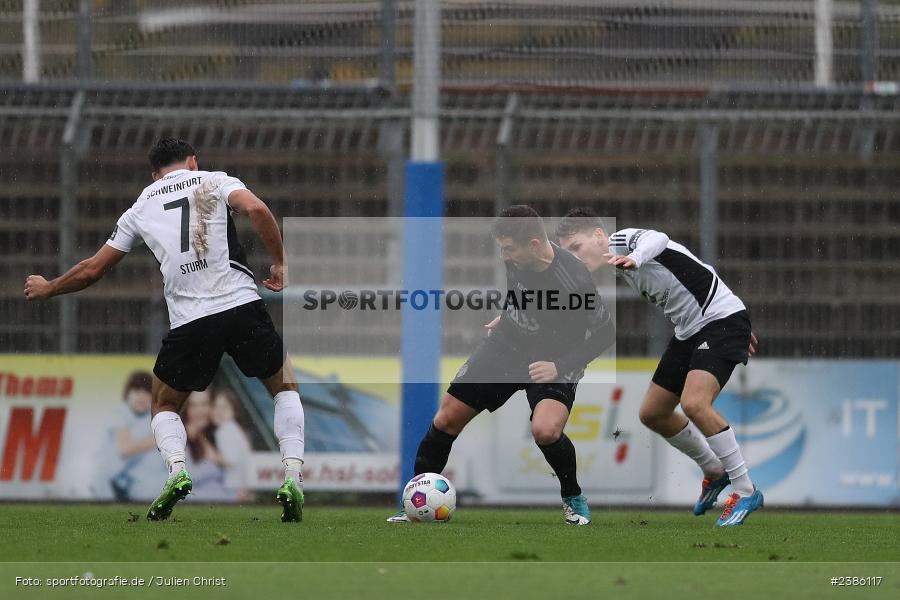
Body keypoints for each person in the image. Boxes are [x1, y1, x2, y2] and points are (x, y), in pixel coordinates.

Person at [24, 137, 305, 522]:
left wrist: (49, 288)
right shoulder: (214, 179)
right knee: (284, 385)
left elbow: (93, 269)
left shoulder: (141, 205)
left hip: (191, 322)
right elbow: (256, 208)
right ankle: (292, 475)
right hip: (241, 306)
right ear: (192, 161)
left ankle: (176, 471)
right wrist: (279, 263)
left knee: (165, 404)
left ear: (154, 174)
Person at [388, 205, 615, 525]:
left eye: (509, 249)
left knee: (546, 430)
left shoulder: (574, 277)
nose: (505, 256)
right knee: (446, 417)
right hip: (507, 347)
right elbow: (525, 295)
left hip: (553, 359)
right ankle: (414, 503)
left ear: (534, 245)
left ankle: (573, 499)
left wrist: (559, 365)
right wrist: (509, 317)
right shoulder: (518, 259)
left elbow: (605, 333)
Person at [556, 208, 763, 526]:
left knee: (694, 403)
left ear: (599, 235)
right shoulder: (614, 266)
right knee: (653, 412)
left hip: (718, 321)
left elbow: (659, 238)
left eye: (576, 247)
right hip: (693, 330)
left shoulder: (623, 241)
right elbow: (697, 267)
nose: (574, 257)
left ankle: (745, 489)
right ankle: (713, 470)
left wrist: (636, 258)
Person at [106, 371, 167, 501]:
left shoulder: (148, 417)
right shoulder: (120, 412)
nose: (142, 397)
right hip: (110, 482)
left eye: (147, 393)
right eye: (137, 391)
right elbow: (125, 449)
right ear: (128, 393)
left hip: (133, 481)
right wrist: (159, 438)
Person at [181, 388, 228, 501]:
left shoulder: (215, 435)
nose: (199, 411)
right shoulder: (179, 438)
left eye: (204, 404)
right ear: (186, 409)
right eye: (193, 406)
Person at [212, 388, 254, 502]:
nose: (218, 411)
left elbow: (231, 460)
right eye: (215, 406)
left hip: (233, 488)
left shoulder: (225, 429)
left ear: (234, 411)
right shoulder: (234, 428)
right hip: (240, 485)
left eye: (224, 408)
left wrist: (211, 455)